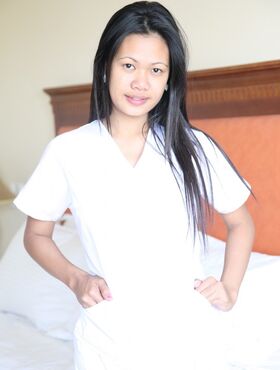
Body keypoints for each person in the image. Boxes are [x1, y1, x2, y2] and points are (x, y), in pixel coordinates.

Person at [14, 1, 254, 369]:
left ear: (169, 79)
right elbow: (36, 235)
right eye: (129, 66)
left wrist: (230, 288)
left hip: (191, 341)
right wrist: (76, 279)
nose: (141, 82)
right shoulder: (69, 151)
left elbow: (240, 222)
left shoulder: (193, 147)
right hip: (107, 343)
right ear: (107, 68)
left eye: (156, 70)